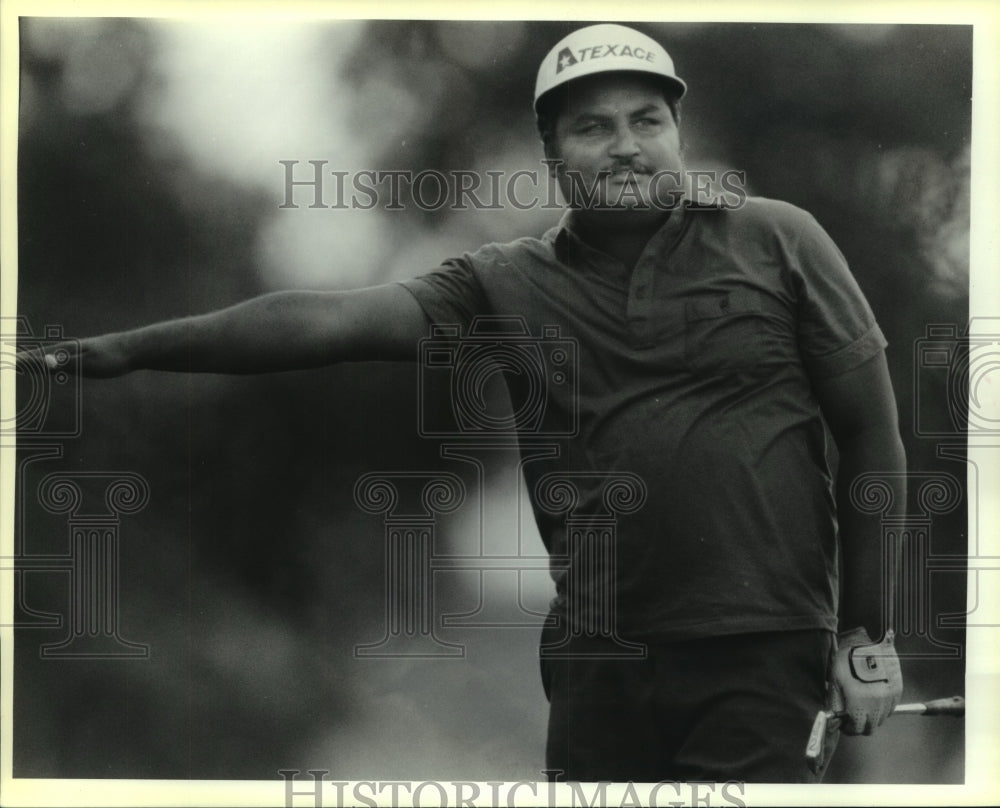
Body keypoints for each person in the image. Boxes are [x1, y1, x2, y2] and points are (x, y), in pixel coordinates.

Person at [23, 23, 904, 783]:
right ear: (554, 155)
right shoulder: (503, 283)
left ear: (678, 131)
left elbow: (872, 439)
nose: (627, 145)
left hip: (761, 655)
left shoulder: (779, 239)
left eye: (648, 120)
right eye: (593, 127)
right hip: (599, 666)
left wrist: (868, 640)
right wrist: (126, 351)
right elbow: (326, 323)